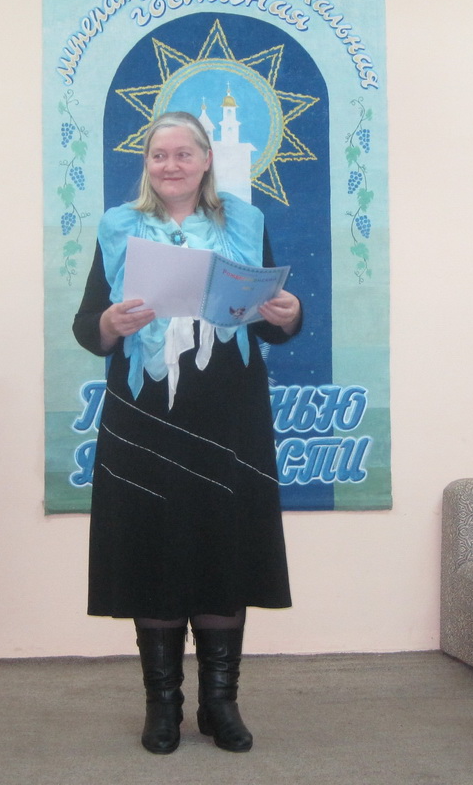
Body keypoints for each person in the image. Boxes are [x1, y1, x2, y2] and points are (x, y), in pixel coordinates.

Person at [71, 111, 302, 755]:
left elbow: (269, 318)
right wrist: (112, 323)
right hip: (145, 413)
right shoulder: (118, 227)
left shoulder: (246, 222)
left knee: (224, 548)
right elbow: (88, 326)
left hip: (228, 412)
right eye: (158, 155)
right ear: (146, 164)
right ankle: (163, 706)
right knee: (154, 549)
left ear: (206, 161)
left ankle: (220, 704)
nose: (170, 165)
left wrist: (288, 315)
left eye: (182, 154)